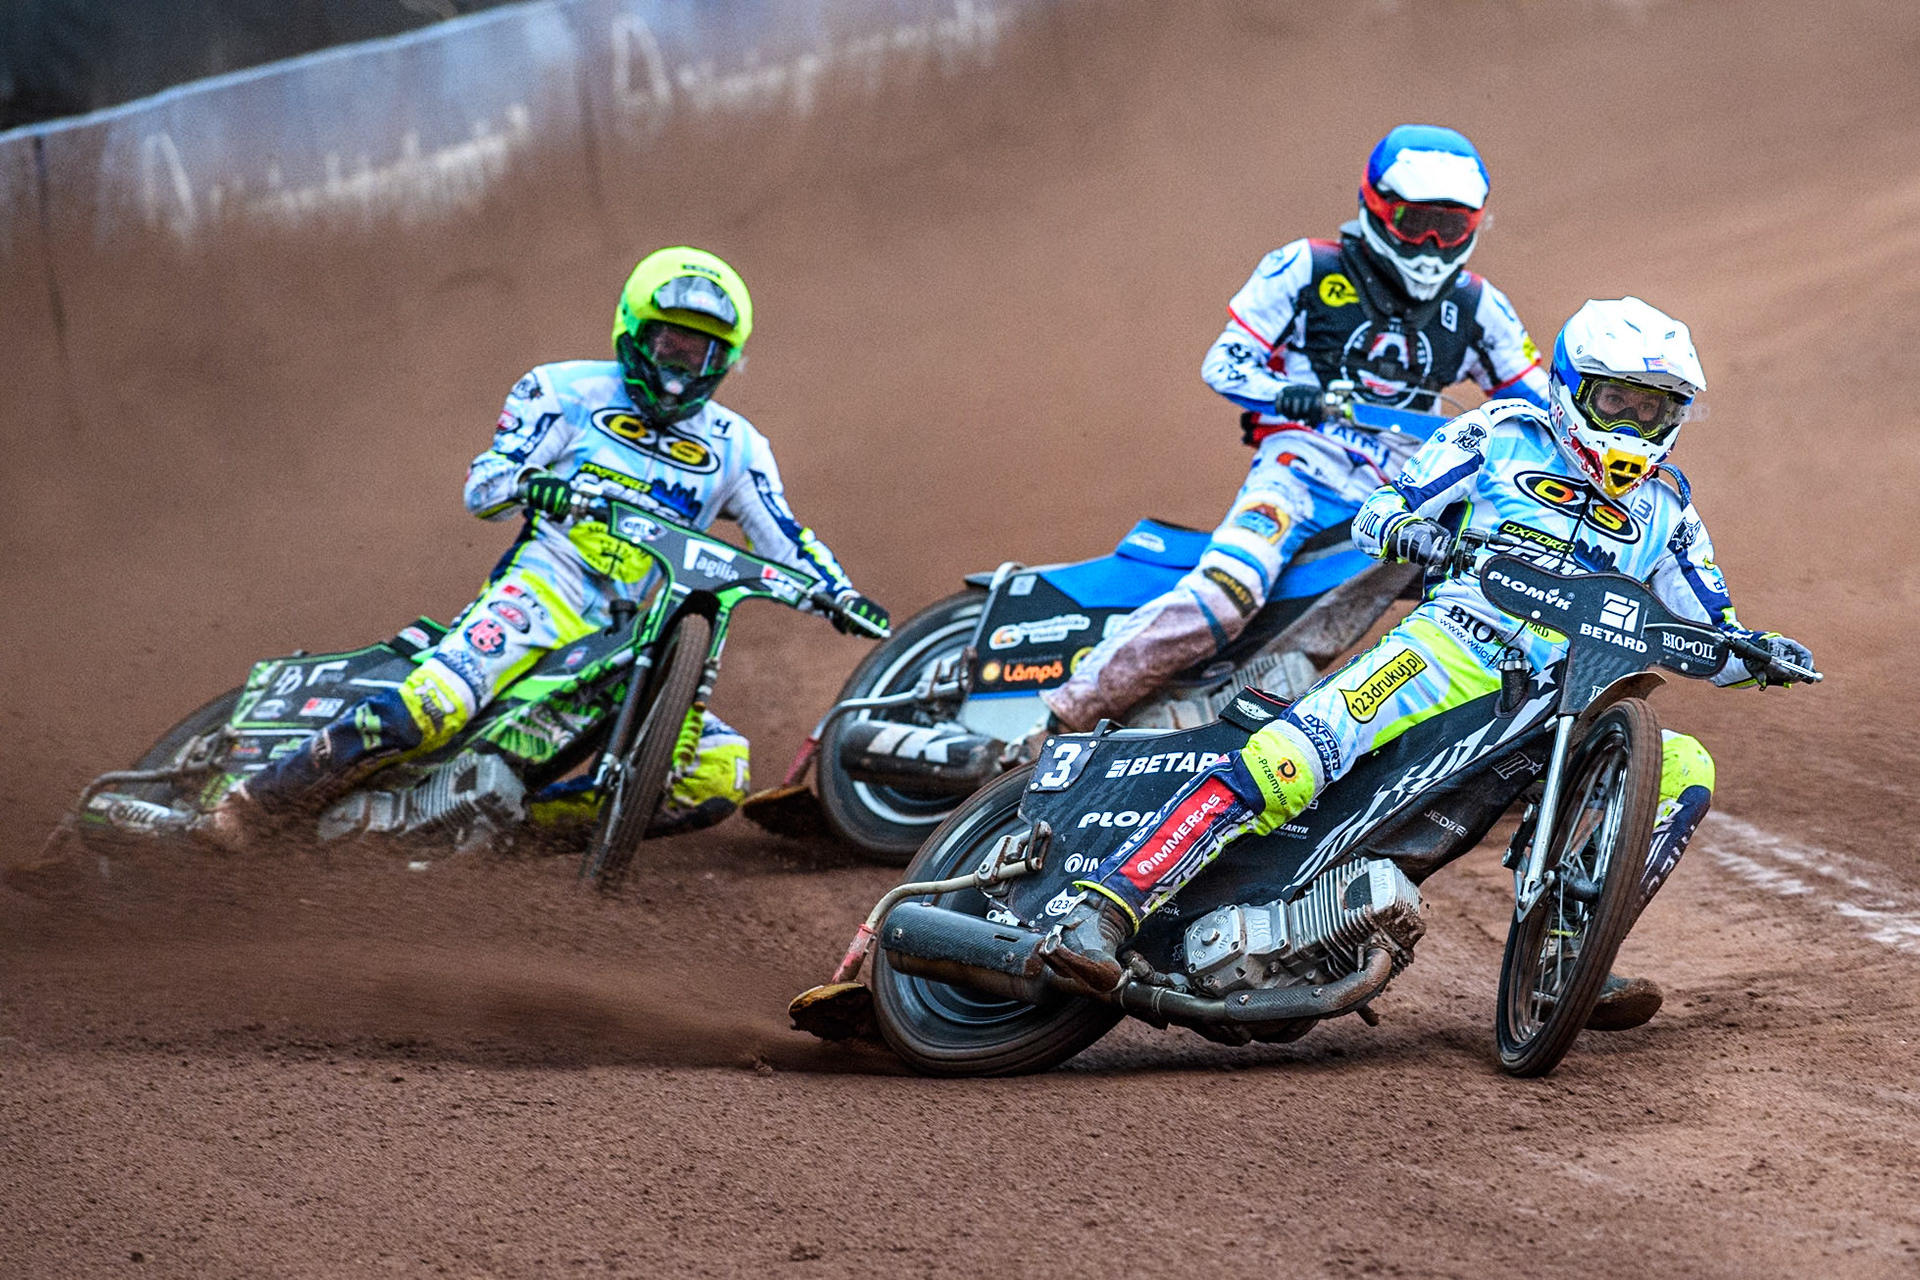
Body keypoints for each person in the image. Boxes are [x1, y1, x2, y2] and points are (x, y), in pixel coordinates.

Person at [1043, 296, 1815, 1031]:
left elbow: (1715, 636)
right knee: (1289, 761)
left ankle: (1569, 956)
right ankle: (1102, 906)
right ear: (1573, 389)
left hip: (1562, 699)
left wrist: (1764, 654)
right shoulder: (1501, 434)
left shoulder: (1670, 512)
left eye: (1654, 409)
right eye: (1618, 401)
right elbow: (1380, 511)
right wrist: (1415, 533)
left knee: (1685, 766)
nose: (1634, 424)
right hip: (1447, 651)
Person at [209, 247, 888, 848]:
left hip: (629, 632)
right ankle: (254, 805)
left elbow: (785, 538)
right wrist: (538, 487)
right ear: (633, 331)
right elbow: (484, 486)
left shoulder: (738, 447)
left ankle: (508, 829)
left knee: (716, 772)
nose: (680, 368)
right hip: (540, 591)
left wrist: (841, 595)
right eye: (669, 344)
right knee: (434, 708)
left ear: (726, 362)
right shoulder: (564, 390)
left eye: (701, 353)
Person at [1043, 124, 1551, 735]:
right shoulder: (1307, 267)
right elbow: (1224, 363)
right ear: (1378, 207)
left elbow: (1544, 406)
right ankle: (1065, 714)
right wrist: (1286, 392)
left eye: (1451, 227)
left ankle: (1501, 736)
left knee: (1503, 579)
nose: (1432, 245)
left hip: (1405, 494)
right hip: (1300, 472)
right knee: (1228, 593)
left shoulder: (1478, 306)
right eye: (1417, 223)